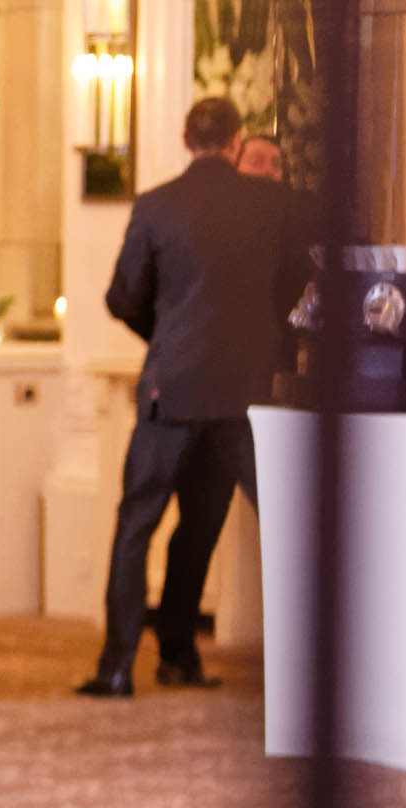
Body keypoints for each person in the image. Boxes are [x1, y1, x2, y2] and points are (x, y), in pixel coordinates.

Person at [78, 99, 302, 698]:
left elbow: (121, 296)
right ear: (235, 142)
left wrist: (170, 333)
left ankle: (116, 667)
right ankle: (181, 657)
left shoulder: (156, 205)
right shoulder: (272, 204)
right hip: (243, 392)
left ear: (186, 140)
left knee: (137, 524)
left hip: (172, 387)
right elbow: (296, 280)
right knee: (206, 527)